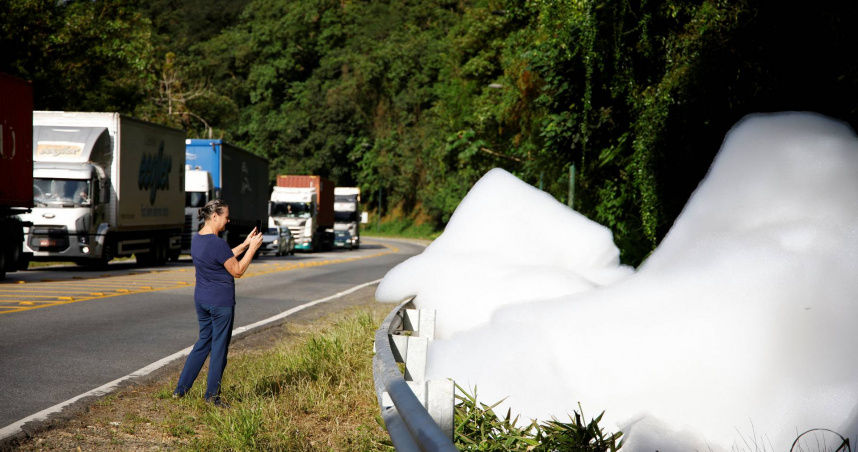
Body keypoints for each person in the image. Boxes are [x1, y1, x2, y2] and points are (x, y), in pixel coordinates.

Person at [173, 199, 263, 407]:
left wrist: (245, 243)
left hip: (202, 300)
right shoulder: (217, 243)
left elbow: (221, 256)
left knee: (203, 343)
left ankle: (181, 390)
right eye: (225, 216)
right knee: (219, 349)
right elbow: (237, 270)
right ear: (215, 216)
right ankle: (212, 397)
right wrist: (253, 249)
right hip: (220, 303)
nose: (228, 220)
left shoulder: (198, 239)